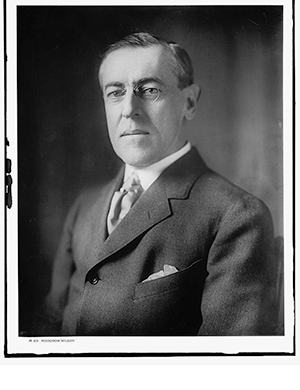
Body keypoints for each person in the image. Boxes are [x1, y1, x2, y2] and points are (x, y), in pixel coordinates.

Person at [36, 32, 277, 336]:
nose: (128, 109)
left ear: (189, 102)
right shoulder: (86, 204)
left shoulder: (237, 215)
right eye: (115, 93)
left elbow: (222, 365)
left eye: (149, 90)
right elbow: (49, 321)